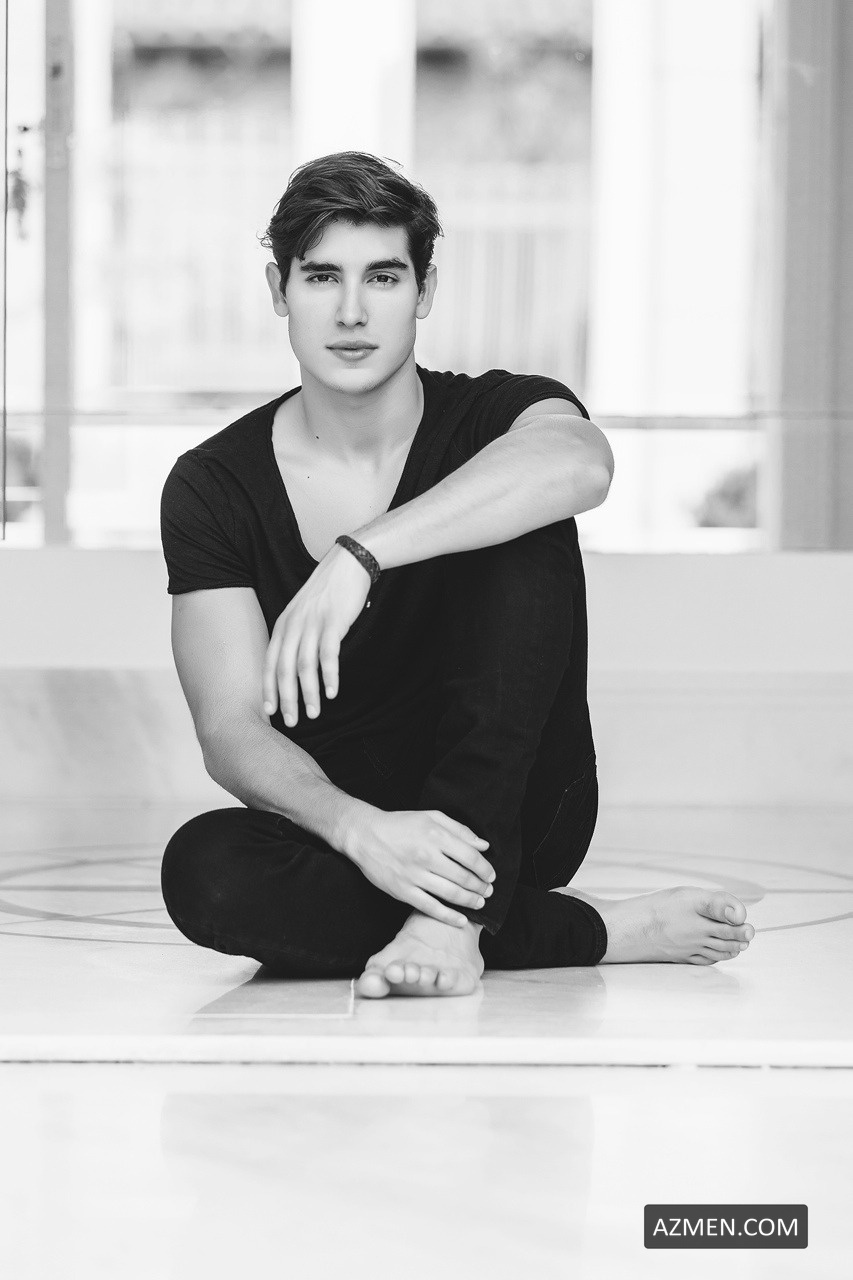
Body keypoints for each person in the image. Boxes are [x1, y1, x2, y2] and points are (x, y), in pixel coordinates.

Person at [159, 151, 754, 998]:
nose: (352, 311)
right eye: (322, 277)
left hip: (519, 810)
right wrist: (358, 829)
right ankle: (593, 930)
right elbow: (229, 729)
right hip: (360, 837)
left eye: (384, 277)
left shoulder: (499, 414)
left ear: (425, 290)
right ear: (278, 290)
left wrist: (358, 555)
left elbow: (580, 465)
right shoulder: (214, 483)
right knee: (205, 870)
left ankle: (451, 921)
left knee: (518, 500)